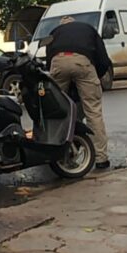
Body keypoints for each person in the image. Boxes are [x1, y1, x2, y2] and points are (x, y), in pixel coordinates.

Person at [44, 15, 112, 169]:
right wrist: (96, 78)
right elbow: (102, 59)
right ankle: (101, 159)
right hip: (82, 63)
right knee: (93, 112)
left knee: (58, 109)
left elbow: (49, 60)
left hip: (58, 62)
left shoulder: (55, 31)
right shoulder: (88, 29)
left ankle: (58, 153)